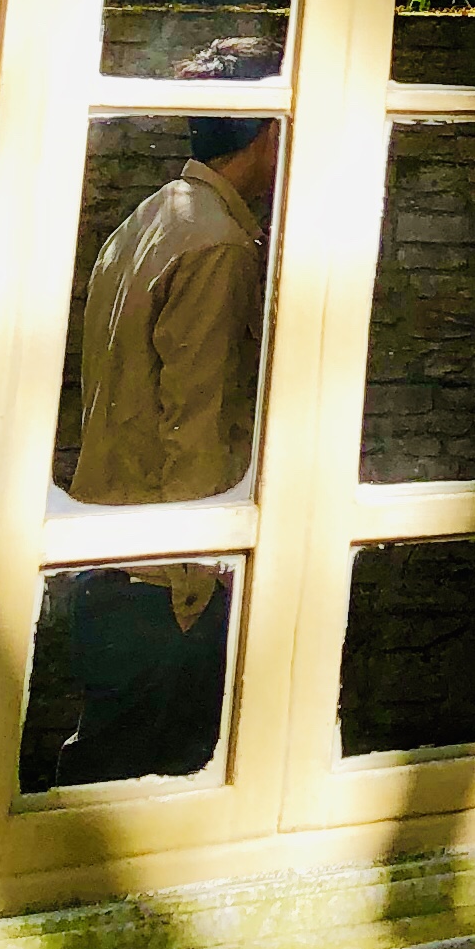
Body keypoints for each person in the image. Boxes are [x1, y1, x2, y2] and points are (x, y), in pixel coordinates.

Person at [54, 46, 280, 788]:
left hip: (107, 558)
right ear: (269, 131)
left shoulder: (147, 220)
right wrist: (197, 587)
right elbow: (197, 423)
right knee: (147, 799)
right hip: (163, 582)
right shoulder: (217, 244)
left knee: (102, 783)